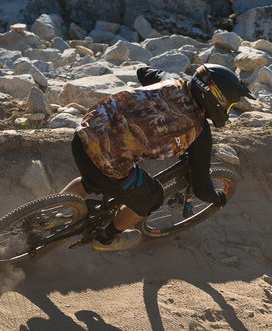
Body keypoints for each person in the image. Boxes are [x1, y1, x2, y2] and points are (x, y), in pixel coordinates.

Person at [60, 64, 254, 251]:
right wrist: (217, 197)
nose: (227, 110)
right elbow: (202, 189)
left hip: (84, 133)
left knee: (92, 179)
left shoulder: (170, 81)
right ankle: (106, 238)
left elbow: (143, 71)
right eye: (228, 105)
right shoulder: (199, 132)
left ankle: (49, 216)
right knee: (153, 197)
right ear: (216, 98)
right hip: (106, 162)